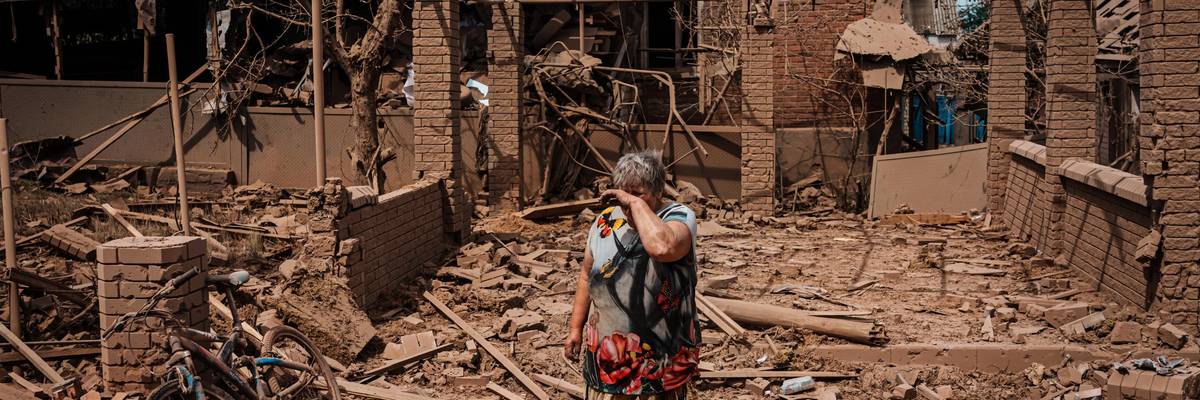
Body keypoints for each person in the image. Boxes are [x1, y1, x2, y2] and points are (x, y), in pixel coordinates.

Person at [563, 150, 700, 399]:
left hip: (664, 350)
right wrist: (575, 327)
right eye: (622, 194)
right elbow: (586, 276)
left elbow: (662, 248)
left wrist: (636, 205)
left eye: (637, 194)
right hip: (612, 350)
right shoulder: (605, 222)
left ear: (658, 191)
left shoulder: (678, 217)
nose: (625, 203)